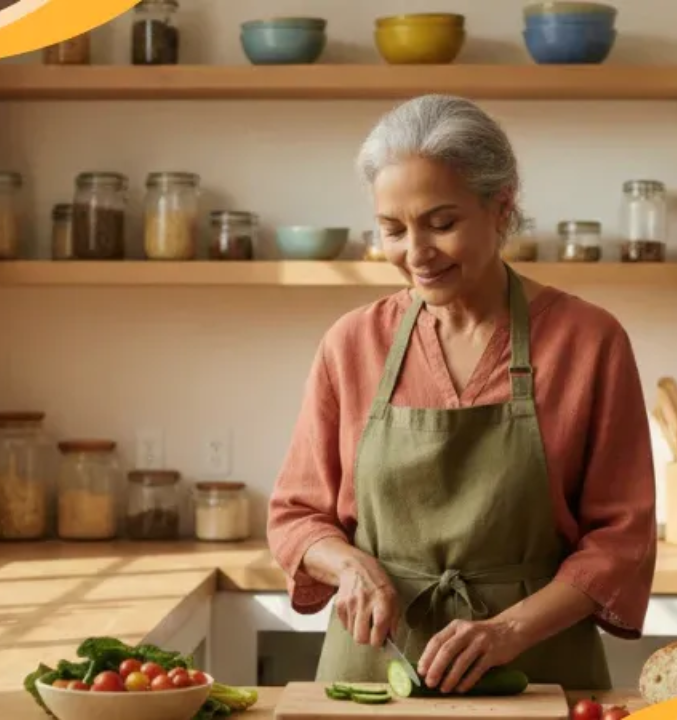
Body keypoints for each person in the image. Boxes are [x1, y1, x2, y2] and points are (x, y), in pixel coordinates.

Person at [266, 95, 657, 693]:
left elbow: (621, 539)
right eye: (393, 230)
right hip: (375, 670)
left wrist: (508, 631)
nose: (416, 254)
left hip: (536, 672)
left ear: (501, 209)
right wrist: (350, 566)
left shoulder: (588, 341)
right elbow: (296, 516)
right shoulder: (351, 344)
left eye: (441, 224)